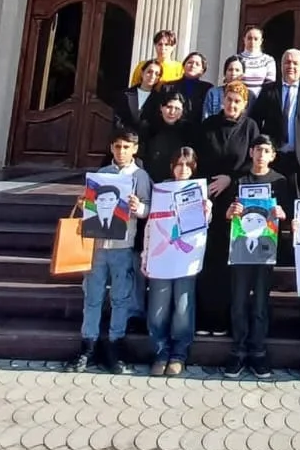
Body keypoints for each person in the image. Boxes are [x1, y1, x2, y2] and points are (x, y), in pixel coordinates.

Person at [68, 128, 153, 375]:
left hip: (122, 245)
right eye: (117, 147)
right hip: (96, 245)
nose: (121, 151)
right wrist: (84, 204)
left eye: (126, 147)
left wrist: (138, 207)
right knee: (92, 295)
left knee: (120, 297)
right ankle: (88, 345)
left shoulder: (140, 176)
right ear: (111, 148)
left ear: (135, 149)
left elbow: (149, 209)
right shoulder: (102, 174)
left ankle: (116, 344)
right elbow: (91, 205)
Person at [193, 81, 263, 335]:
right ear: (222, 100)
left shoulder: (250, 127)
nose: (232, 105)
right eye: (229, 99)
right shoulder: (208, 125)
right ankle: (203, 319)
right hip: (209, 198)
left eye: (237, 101)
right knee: (207, 258)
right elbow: (198, 160)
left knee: (228, 262)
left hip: (235, 200)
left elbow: (252, 163)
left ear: (244, 104)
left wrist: (229, 179)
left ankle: (223, 320)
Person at [225, 135, 287, 378]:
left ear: (273, 155)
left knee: (260, 304)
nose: (261, 155)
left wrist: (282, 214)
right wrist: (231, 212)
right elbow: (226, 216)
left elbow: (291, 217)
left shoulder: (280, 181)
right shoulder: (239, 180)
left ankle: (258, 352)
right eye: (258, 150)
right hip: (240, 251)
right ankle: (238, 351)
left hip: (265, 251)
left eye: (266, 151)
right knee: (239, 303)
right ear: (251, 152)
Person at [145, 147, 207, 377]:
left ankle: (179, 353)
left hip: (185, 258)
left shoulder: (198, 191)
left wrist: (207, 211)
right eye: (179, 164)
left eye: (187, 165)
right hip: (160, 256)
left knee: (183, 306)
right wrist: (145, 254)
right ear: (172, 166)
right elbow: (150, 222)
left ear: (194, 168)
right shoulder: (160, 189)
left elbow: (201, 226)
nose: (183, 169)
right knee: (158, 308)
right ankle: (160, 351)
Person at [253, 49, 300, 197]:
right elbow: (255, 121)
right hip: (273, 158)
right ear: (281, 65)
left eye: (295, 63)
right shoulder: (268, 90)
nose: (291, 66)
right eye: (287, 62)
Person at [141, 91, 191, 178]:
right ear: (161, 107)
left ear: (182, 111)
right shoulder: (147, 127)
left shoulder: (189, 130)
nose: (172, 112)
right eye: (169, 107)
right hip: (150, 177)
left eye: (177, 108)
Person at [163, 51, 212, 122]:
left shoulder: (208, 89)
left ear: (202, 70)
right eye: (190, 62)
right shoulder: (168, 86)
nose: (193, 66)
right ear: (183, 66)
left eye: (197, 64)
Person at [120, 60, 164, 135]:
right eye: (149, 72)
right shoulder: (125, 94)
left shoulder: (160, 99)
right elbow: (118, 118)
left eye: (156, 74)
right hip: (125, 138)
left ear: (158, 78)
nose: (152, 76)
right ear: (142, 73)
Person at [237, 25, 278, 98]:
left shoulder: (268, 60)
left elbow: (270, 84)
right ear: (244, 39)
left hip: (261, 100)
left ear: (261, 41)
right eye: (249, 38)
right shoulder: (236, 59)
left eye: (256, 39)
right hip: (239, 99)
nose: (252, 42)